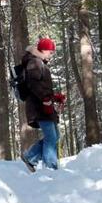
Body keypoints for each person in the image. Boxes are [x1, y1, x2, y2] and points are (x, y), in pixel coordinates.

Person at [20, 37, 66, 172]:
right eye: (51, 52)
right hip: (39, 107)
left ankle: (30, 157)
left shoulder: (39, 62)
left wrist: (54, 97)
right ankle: (50, 168)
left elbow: (42, 86)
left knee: (55, 136)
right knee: (51, 137)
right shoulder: (34, 62)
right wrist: (46, 99)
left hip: (44, 105)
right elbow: (34, 84)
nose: (52, 55)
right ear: (44, 50)